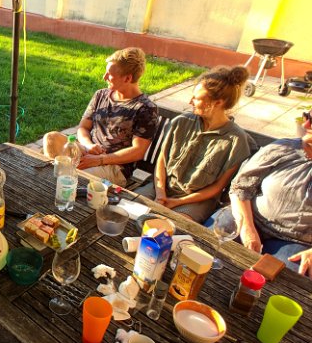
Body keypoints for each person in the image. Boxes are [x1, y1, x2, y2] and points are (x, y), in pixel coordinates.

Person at [135, 66, 252, 222]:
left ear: (218, 102)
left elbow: (217, 187)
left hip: (197, 200)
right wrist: (161, 193)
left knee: (173, 226)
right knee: (129, 209)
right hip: (162, 187)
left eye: (196, 98)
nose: (190, 101)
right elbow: (162, 160)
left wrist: (178, 202)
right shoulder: (181, 122)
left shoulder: (236, 141)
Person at [43, 47, 158, 187]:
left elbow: (137, 151)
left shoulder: (145, 108)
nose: (104, 77)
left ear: (127, 78)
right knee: (51, 138)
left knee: (69, 175)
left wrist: (99, 159)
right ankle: (58, 179)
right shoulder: (101, 95)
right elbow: (83, 127)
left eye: (110, 74)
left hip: (114, 166)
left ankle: (59, 183)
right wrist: (89, 146)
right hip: (88, 151)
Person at [225, 109, 312, 278]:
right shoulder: (284, 147)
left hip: (294, 241)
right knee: (205, 247)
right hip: (249, 216)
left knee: (279, 283)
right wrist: (247, 227)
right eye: (307, 117)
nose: (305, 124)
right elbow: (240, 186)